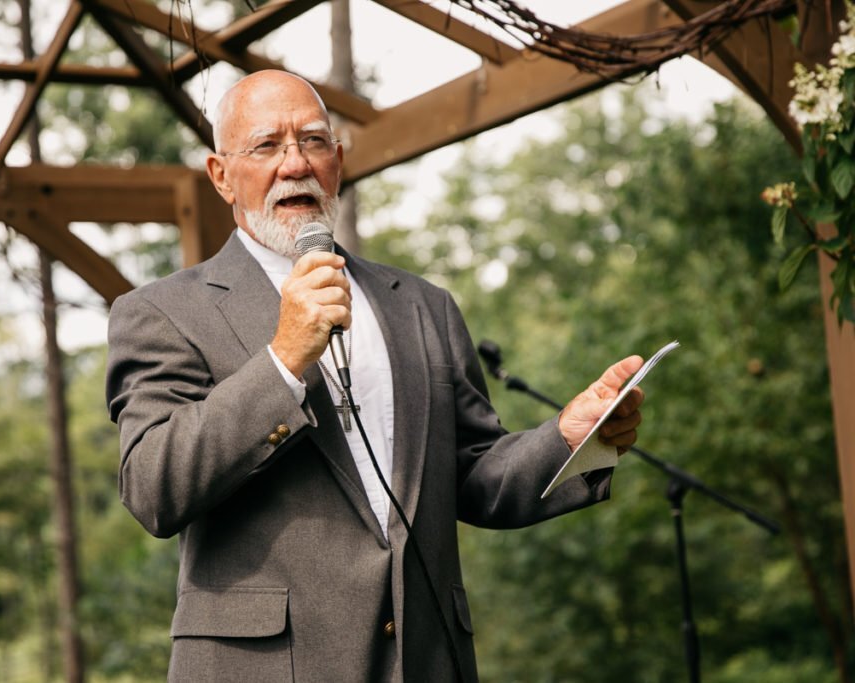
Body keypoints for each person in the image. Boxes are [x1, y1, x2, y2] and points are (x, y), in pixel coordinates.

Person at [105, 69, 644, 683]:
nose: (294, 164)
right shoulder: (163, 312)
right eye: (266, 146)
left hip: (425, 658)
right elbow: (153, 487)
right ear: (221, 175)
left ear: (337, 161)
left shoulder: (421, 305)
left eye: (312, 142)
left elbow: (471, 473)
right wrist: (284, 358)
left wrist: (568, 441)